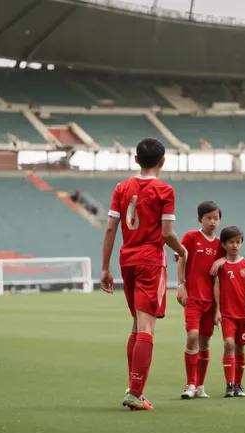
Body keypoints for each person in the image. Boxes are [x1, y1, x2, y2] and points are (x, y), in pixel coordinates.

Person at [101, 138, 187, 411]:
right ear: (163, 161)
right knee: (147, 328)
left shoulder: (121, 188)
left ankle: (133, 388)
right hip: (151, 261)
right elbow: (167, 234)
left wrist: (105, 267)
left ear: (136, 160)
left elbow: (111, 229)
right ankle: (136, 394)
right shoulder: (165, 191)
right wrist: (184, 252)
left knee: (137, 326)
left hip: (127, 260)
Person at [177, 201, 224, 399]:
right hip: (193, 298)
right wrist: (181, 285)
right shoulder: (190, 237)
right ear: (200, 219)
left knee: (205, 343)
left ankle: (200, 386)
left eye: (216, 218)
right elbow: (181, 259)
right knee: (192, 336)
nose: (213, 222)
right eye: (209, 218)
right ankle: (190, 383)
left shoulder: (219, 245)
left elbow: (221, 274)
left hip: (210, 301)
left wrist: (218, 309)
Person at [214, 226, 245, 398]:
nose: (235, 245)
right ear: (223, 244)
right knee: (229, 344)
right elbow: (216, 287)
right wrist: (217, 310)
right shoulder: (220, 266)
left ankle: (239, 385)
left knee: (240, 349)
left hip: (243, 316)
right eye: (231, 242)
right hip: (227, 315)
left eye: (238, 242)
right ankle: (229, 385)